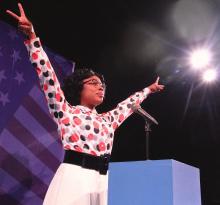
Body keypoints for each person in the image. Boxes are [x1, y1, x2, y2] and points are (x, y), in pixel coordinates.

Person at [6, 3, 164, 205]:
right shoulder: (65, 111)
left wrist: (148, 90)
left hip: (102, 182)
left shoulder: (108, 120)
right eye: (94, 83)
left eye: (102, 85)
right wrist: (32, 38)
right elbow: (48, 77)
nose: (101, 88)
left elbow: (127, 105)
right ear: (79, 88)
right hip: (74, 178)